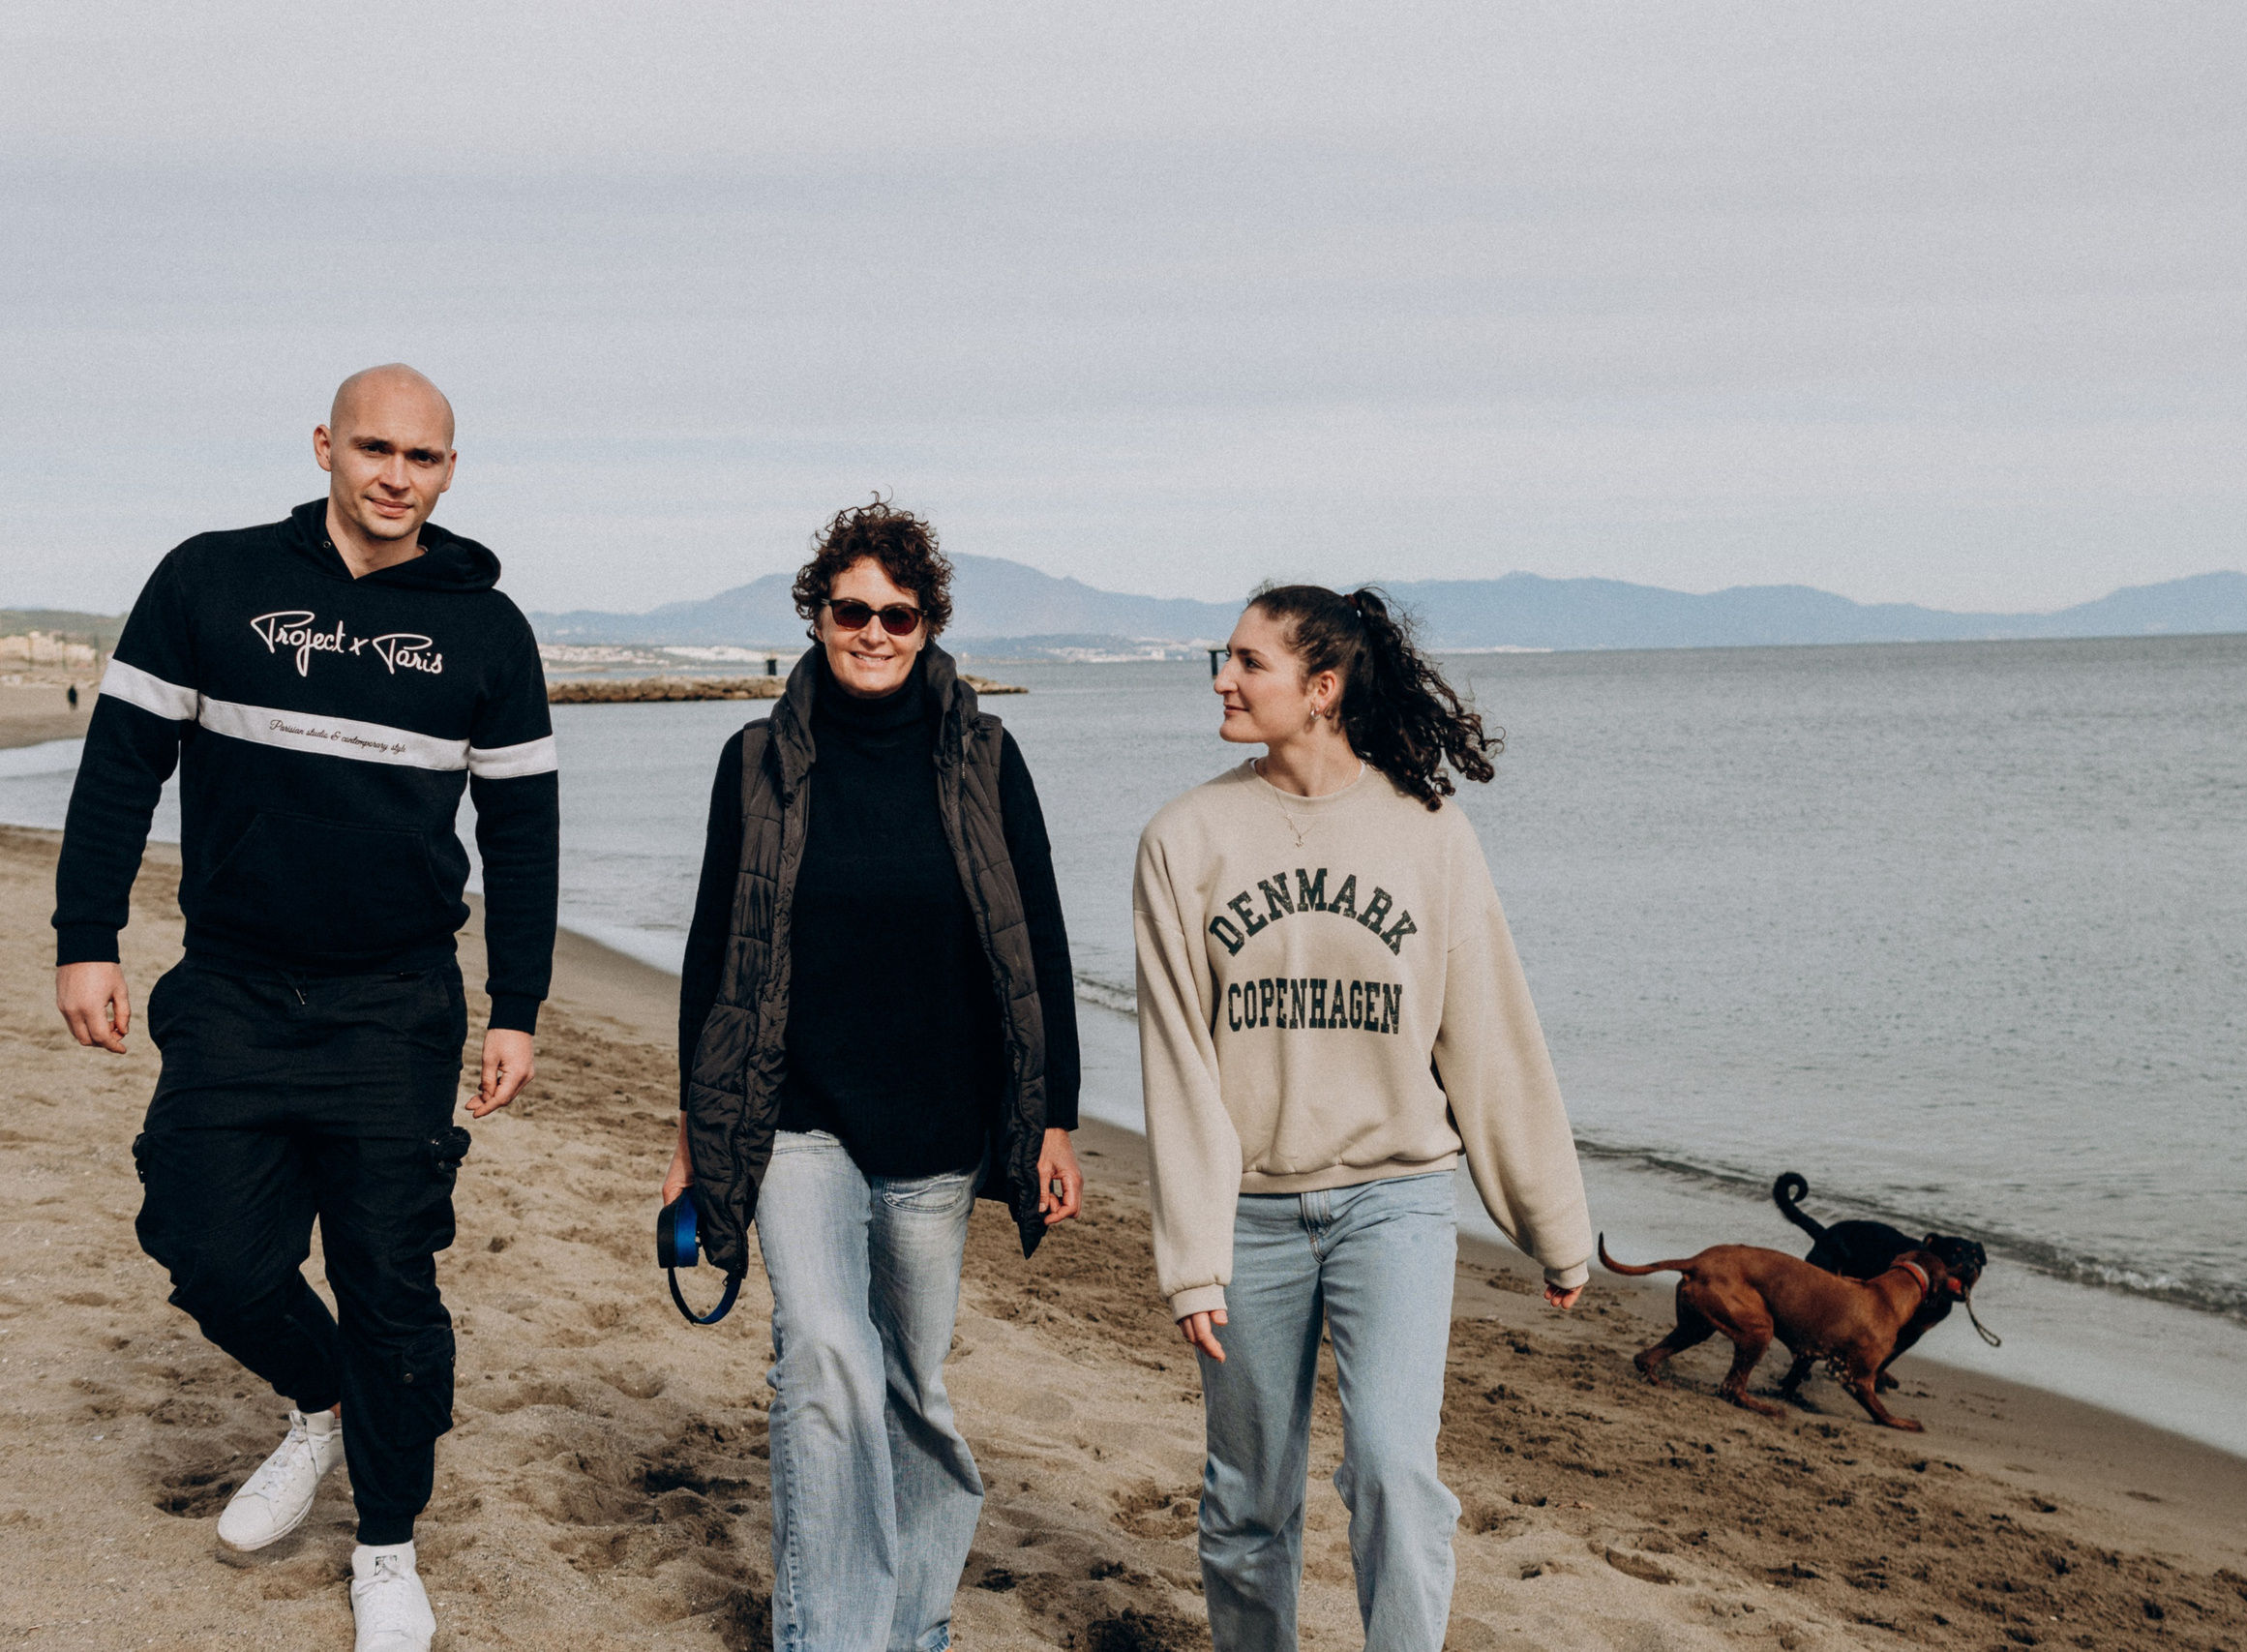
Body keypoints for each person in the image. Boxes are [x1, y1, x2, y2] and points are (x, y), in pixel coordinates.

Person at [53, 365, 557, 1652]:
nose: (397, 474)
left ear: (451, 472)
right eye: (375, 447)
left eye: (425, 457)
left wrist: (520, 1004)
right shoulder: (209, 580)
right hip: (231, 984)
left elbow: (524, 827)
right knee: (204, 1239)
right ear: (326, 445)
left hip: (397, 1003)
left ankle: (385, 1542)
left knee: (392, 1279)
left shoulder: (485, 631)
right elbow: (120, 768)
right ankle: (319, 1402)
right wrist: (86, 936)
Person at [1133, 584, 1592, 1652]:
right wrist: (1192, 1256)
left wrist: (1553, 1223)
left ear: (1323, 687)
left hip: (1395, 1204)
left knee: (1393, 1470)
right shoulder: (1185, 837)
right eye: (1225, 657)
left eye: (1249, 662)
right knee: (1249, 1499)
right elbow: (1178, 1063)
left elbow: (1489, 1034)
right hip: (1248, 1217)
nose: (1222, 679)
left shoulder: (1427, 835)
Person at [665, 497, 1084, 1652]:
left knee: (913, 1396)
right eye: (852, 610)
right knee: (825, 1363)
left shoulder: (986, 759)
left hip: (938, 1127)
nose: (874, 631)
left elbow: (1037, 943)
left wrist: (1052, 1121)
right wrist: (694, 1138)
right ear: (817, 614)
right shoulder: (753, 761)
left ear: (929, 622)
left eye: (898, 614)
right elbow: (716, 954)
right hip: (798, 1117)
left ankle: (914, 1627)